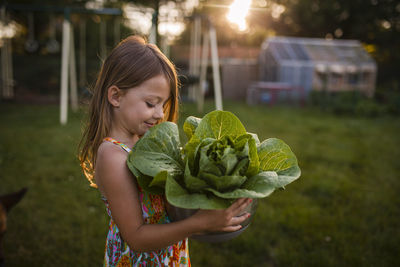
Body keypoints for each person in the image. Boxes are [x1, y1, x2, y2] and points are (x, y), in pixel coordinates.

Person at [78, 35, 252, 266]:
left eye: (163, 104)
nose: (160, 114)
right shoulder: (112, 155)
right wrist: (200, 223)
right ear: (116, 96)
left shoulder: (145, 140)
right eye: (151, 103)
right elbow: (137, 238)